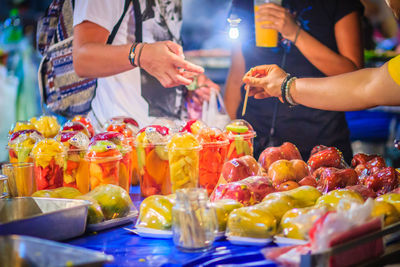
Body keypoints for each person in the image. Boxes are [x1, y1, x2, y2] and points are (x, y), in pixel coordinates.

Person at [224, 0, 364, 162]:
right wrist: (232, 139)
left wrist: (294, 32)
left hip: (319, 145)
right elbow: (237, 78)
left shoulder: (336, 4)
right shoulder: (245, 3)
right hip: (254, 143)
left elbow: (355, 75)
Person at [72, 0, 218, 129]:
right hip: (121, 139)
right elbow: (82, 59)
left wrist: (186, 81)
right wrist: (142, 54)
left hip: (168, 137)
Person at [242, 1, 400, 112]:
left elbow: (362, 84)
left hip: (322, 130)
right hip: (259, 127)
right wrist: (286, 86)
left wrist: (286, 86)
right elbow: (366, 86)